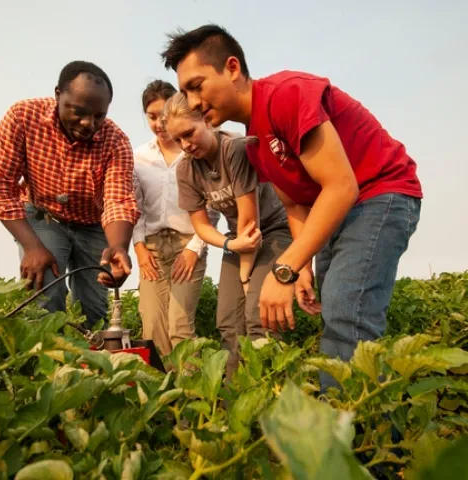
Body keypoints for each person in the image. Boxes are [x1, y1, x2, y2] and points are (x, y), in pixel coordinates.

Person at [161, 25, 423, 388]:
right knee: (336, 313)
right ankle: (359, 427)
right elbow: (296, 203)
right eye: (185, 92)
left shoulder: (286, 94)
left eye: (197, 85)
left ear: (232, 68)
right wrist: (301, 269)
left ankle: (351, 435)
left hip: (379, 195)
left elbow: (341, 186)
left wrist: (283, 268)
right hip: (338, 208)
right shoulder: (254, 143)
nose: (191, 102)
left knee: (348, 316)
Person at [0, 61, 139, 329]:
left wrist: (118, 247)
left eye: (98, 116)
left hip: (93, 225)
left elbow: (117, 199)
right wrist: (33, 247)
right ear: (58, 95)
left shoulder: (115, 140)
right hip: (44, 216)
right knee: (45, 286)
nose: (88, 123)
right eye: (79, 112)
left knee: (94, 306)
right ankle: (49, 363)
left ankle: (92, 364)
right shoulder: (23, 117)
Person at [163, 92, 293, 377]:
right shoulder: (186, 168)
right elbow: (201, 225)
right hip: (238, 239)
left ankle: (273, 396)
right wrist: (229, 243)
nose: (185, 145)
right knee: (228, 322)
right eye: (178, 140)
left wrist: (245, 278)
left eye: (189, 133)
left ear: (206, 121)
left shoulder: (234, 149)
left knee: (258, 316)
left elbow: (251, 221)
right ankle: (235, 397)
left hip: (272, 231)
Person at [133, 80, 216, 356]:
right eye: (152, 117)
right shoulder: (139, 157)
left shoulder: (194, 149)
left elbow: (212, 205)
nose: (159, 123)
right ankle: (162, 394)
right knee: (153, 328)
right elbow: (137, 206)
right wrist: (140, 248)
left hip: (188, 244)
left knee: (179, 327)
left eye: (163, 116)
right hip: (152, 250)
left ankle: (190, 394)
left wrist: (195, 249)